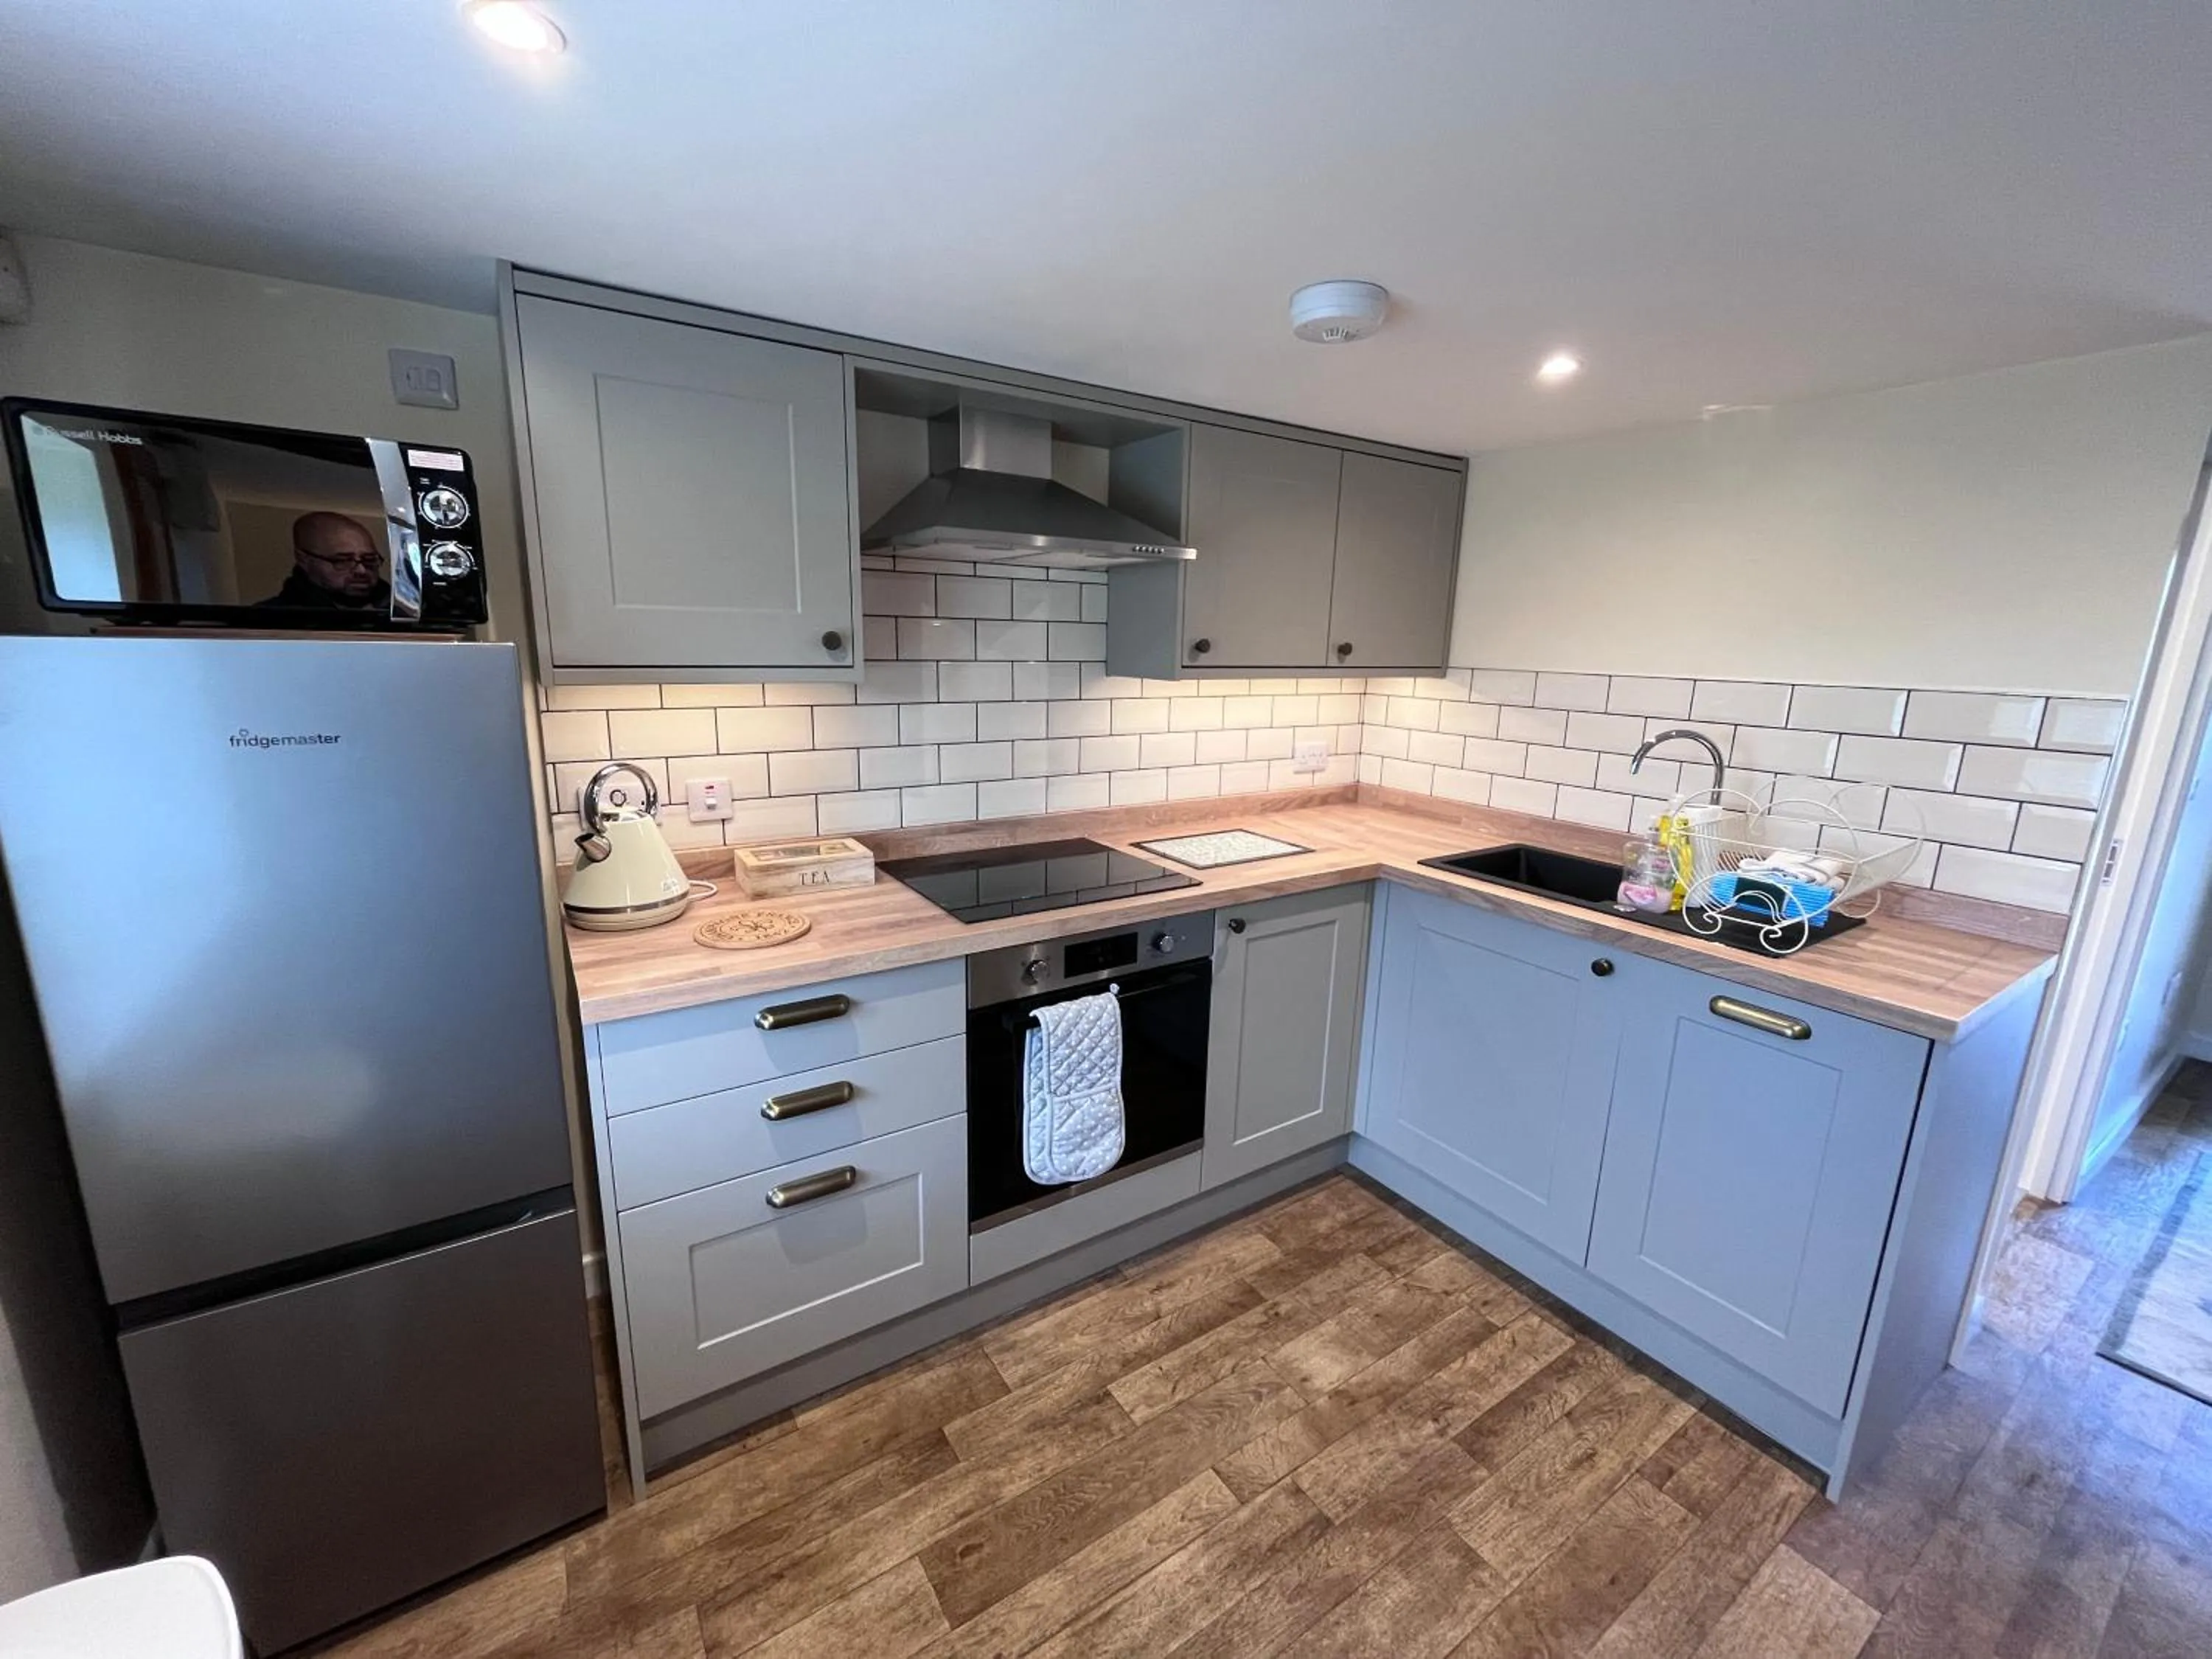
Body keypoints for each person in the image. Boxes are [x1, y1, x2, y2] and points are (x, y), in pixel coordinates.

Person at [257, 511, 389, 611]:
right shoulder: (265, 619)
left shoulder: (402, 613)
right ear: (304, 560)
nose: (362, 570)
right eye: (342, 561)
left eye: (369, 560)